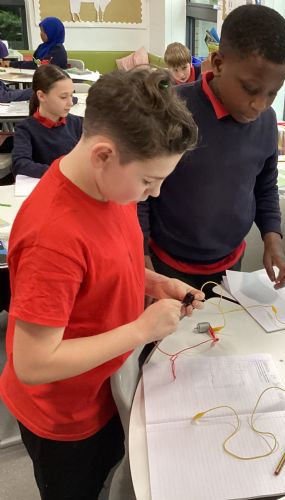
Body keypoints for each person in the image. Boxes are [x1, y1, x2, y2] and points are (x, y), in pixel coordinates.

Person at [0, 67, 202, 500]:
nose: (154, 194)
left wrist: (153, 283)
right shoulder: (53, 236)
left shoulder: (110, 186)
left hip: (106, 388)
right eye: (149, 181)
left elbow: (102, 267)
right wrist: (142, 329)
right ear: (104, 155)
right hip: (65, 418)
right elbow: (33, 363)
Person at [139, 5, 285, 293]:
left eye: (273, 93)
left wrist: (273, 239)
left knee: (221, 322)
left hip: (230, 264)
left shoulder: (266, 122)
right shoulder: (171, 110)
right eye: (250, 88)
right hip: (167, 265)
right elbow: (140, 191)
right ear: (219, 64)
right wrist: (140, 254)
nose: (260, 105)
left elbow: (265, 186)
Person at [11, 64, 82, 178]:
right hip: (46, 185)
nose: (70, 103)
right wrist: (60, 172)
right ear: (41, 96)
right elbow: (20, 164)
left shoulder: (78, 123)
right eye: (63, 97)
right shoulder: (25, 129)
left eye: (71, 95)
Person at [2, 17, 67, 70]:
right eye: (41, 31)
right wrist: (12, 63)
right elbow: (34, 62)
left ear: (52, 32)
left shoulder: (57, 50)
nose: (41, 34)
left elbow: (39, 65)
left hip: (54, 81)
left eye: (43, 31)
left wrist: (11, 64)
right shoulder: (42, 47)